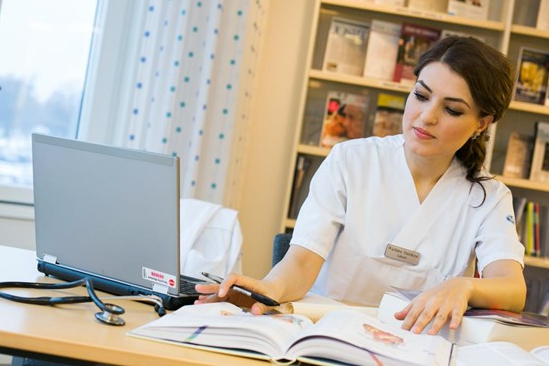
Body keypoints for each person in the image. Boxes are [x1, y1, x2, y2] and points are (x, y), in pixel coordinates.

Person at [196, 35, 526, 336]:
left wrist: (463, 287)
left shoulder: (488, 196)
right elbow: (301, 262)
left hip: (415, 348)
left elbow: (512, 289)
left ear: (482, 124)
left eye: (452, 109)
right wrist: (268, 288)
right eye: (421, 96)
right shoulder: (350, 161)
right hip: (325, 336)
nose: (426, 116)